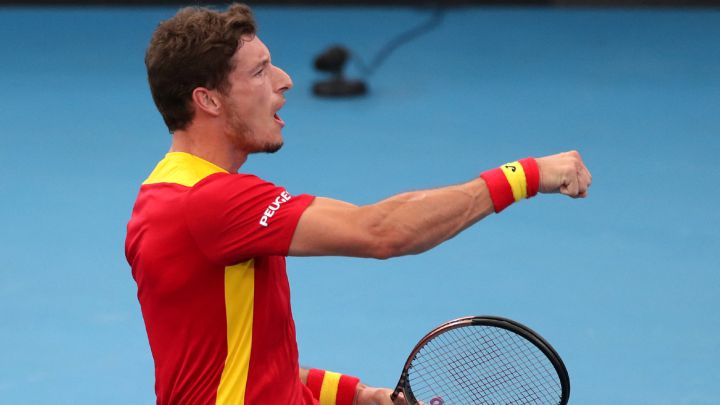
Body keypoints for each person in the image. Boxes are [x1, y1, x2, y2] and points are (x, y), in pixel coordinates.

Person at [125, 3, 592, 405]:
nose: (285, 81)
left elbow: (238, 368)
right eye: (260, 70)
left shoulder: (167, 194)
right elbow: (381, 231)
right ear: (207, 100)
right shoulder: (211, 204)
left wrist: (353, 394)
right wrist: (525, 176)